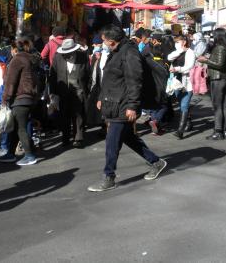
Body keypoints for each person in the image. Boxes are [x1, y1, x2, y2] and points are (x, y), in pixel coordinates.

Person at [88, 25, 167, 192]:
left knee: (112, 141)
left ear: (111, 41)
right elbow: (110, 78)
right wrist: (102, 97)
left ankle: (108, 177)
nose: (102, 44)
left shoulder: (129, 53)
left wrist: (132, 106)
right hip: (113, 103)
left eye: (104, 41)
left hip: (124, 106)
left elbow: (134, 81)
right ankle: (156, 162)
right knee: (129, 138)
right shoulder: (115, 52)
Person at [0, 37, 39, 166]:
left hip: (20, 98)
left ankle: (29, 155)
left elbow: (11, 82)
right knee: (16, 127)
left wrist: (5, 99)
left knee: (21, 128)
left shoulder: (17, 60)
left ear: (14, 49)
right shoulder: (30, 59)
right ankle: (10, 153)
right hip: (29, 98)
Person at [49, 39, 90, 148]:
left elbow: (87, 74)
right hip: (63, 91)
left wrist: (87, 90)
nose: (66, 55)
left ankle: (78, 138)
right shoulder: (58, 58)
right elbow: (52, 75)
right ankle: (65, 137)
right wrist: (52, 92)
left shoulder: (82, 57)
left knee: (78, 115)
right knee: (64, 115)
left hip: (79, 91)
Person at [198, 29, 226, 139]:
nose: (212, 37)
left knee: (218, 106)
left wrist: (205, 60)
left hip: (218, 80)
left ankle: (218, 131)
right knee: (225, 106)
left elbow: (219, 64)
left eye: (214, 35)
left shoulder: (220, 48)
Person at [168, 35, 196, 139]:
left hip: (187, 83)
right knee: (181, 104)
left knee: (184, 105)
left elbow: (189, 67)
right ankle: (188, 122)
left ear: (184, 42)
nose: (176, 44)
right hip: (176, 82)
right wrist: (180, 50)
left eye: (178, 42)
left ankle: (180, 130)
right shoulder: (177, 52)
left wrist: (177, 69)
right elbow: (169, 57)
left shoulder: (190, 52)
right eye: (175, 42)